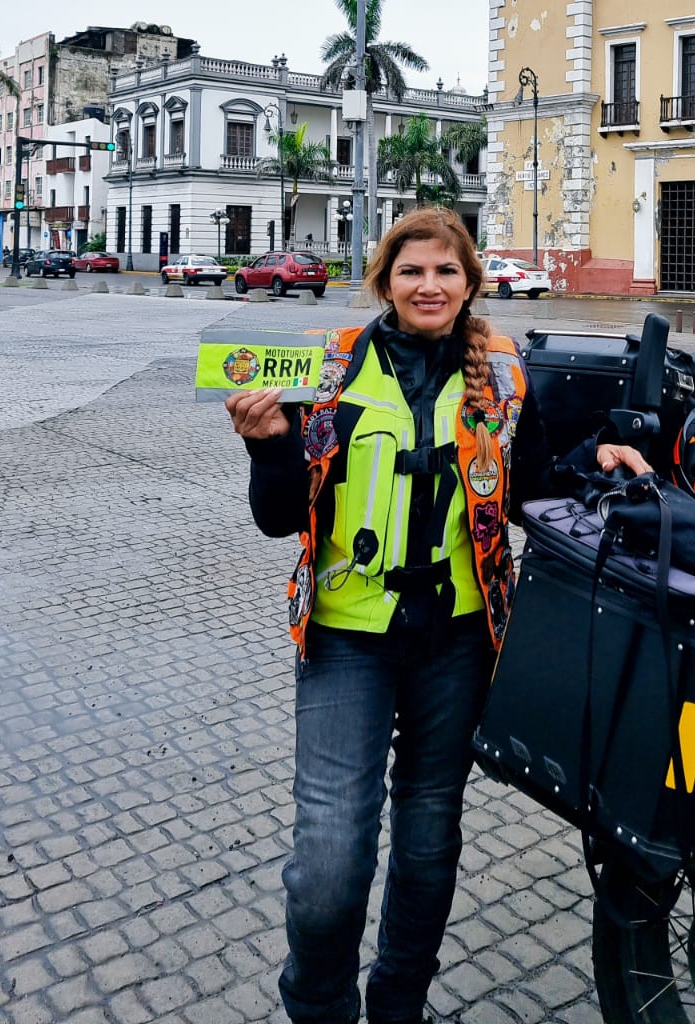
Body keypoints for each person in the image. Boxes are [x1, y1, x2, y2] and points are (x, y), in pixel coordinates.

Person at [226, 208, 551, 1024]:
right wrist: (269, 446)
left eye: (446, 271)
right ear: (384, 281)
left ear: (471, 282)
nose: (429, 285)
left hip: (459, 643)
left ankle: (397, 1006)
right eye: (412, 271)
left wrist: (609, 456)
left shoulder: (504, 374)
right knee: (331, 856)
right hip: (345, 640)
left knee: (429, 841)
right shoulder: (329, 370)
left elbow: (536, 488)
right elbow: (278, 517)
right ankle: (319, 1004)